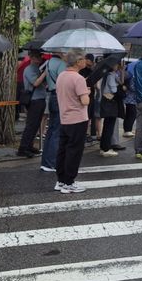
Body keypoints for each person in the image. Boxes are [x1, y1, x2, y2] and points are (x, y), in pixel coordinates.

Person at [54, 49, 91, 194]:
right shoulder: (78, 78)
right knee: (74, 151)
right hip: (78, 119)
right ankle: (69, 182)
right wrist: (87, 92)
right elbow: (85, 101)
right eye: (83, 59)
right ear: (78, 62)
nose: (85, 61)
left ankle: (61, 180)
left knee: (63, 150)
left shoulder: (61, 76)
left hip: (65, 118)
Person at [39, 49, 67, 174]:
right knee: (57, 131)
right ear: (61, 52)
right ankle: (52, 162)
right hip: (59, 96)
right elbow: (63, 83)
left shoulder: (49, 62)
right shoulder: (61, 64)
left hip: (51, 95)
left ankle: (46, 161)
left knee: (51, 131)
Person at [17, 50, 48, 158]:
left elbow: (42, 83)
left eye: (40, 56)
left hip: (40, 98)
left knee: (35, 125)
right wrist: (45, 73)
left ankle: (29, 145)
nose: (40, 58)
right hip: (34, 100)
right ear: (32, 58)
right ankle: (23, 148)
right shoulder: (29, 69)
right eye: (38, 56)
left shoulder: (37, 68)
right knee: (31, 125)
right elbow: (35, 82)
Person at [79, 54, 97, 142]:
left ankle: (86, 133)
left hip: (91, 95)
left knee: (89, 116)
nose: (90, 64)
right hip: (84, 95)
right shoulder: (80, 71)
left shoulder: (92, 70)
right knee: (84, 115)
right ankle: (82, 134)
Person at [122, 59, 137, 138]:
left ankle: (127, 130)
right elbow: (132, 87)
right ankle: (127, 130)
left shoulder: (127, 74)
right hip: (131, 99)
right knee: (132, 114)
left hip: (129, 98)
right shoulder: (131, 76)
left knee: (129, 114)